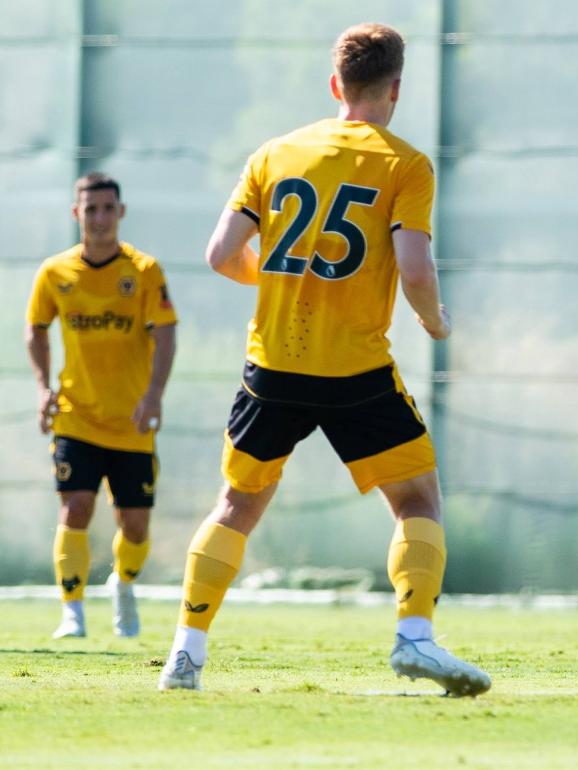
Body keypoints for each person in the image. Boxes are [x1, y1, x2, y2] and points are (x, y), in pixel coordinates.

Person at [158, 22, 490, 696]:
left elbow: (221, 255)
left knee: (235, 506)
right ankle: (415, 639)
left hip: (273, 365)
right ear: (395, 89)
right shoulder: (404, 164)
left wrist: (283, 280)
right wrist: (435, 321)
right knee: (418, 498)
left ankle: (185, 656)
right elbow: (417, 270)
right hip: (354, 372)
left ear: (335, 84)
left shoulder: (276, 152)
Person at [25, 172, 178, 639]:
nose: (99, 218)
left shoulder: (144, 271)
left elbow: (167, 332)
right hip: (77, 416)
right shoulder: (55, 273)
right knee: (75, 508)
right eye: (90, 209)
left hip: (132, 420)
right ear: (77, 214)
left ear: (121, 213)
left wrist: (153, 394)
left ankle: (124, 584)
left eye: (107, 208)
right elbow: (36, 329)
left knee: (134, 525)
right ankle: (71, 611)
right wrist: (42, 386)